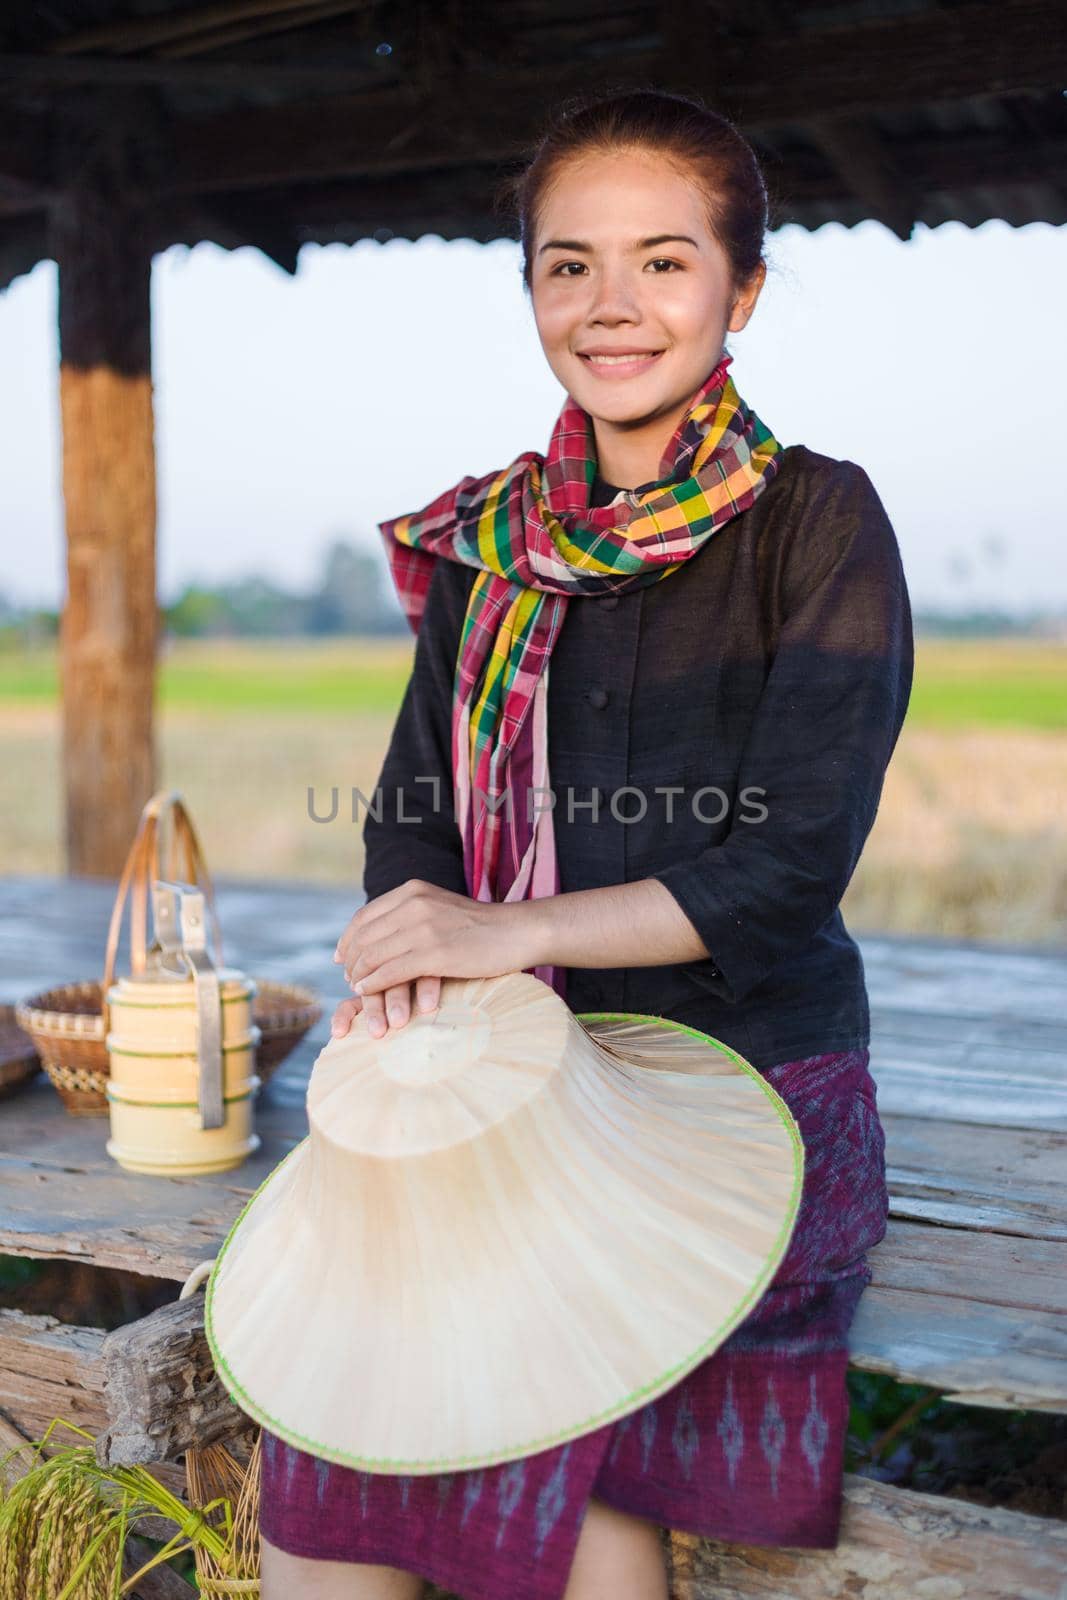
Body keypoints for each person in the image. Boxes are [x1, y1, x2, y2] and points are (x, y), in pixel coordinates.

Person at [257, 86, 913, 1600]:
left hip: (734, 1083)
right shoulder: (490, 544)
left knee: (570, 1460)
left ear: (741, 289)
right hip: (500, 1072)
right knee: (327, 1448)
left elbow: (788, 862)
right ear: (532, 289)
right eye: (570, 265)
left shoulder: (815, 520)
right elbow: (415, 813)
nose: (612, 306)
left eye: (664, 262)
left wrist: (511, 932)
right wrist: (417, 956)